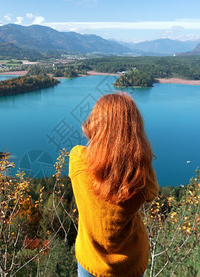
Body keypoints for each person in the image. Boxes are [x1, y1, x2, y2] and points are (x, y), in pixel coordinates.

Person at [69, 92, 159, 277]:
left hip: (90, 260)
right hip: (129, 263)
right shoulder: (141, 178)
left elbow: (91, 155)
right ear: (135, 130)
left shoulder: (77, 158)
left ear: (94, 123)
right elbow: (152, 192)